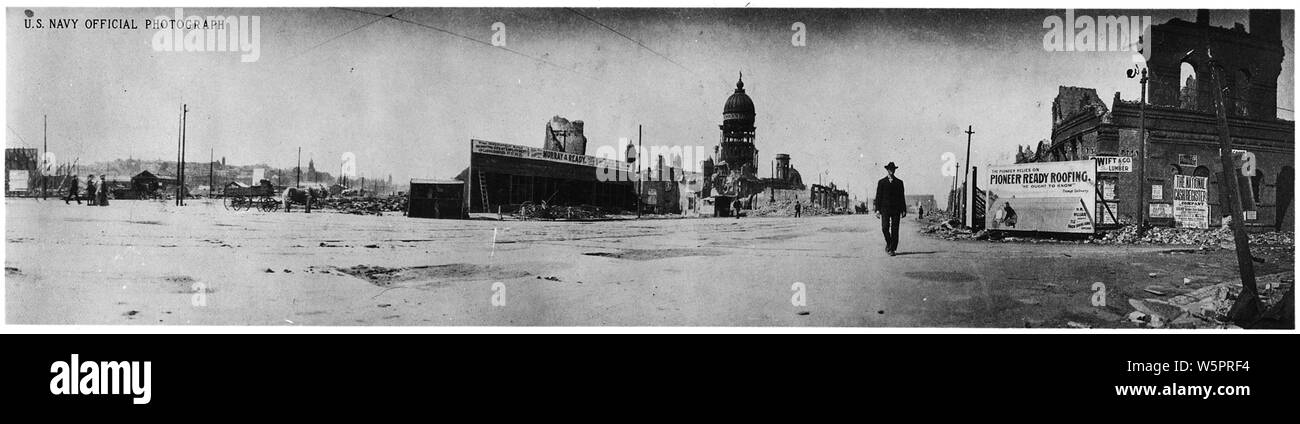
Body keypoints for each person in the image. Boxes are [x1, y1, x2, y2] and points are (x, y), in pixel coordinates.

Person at [874, 162, 906, 256]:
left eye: (893, 169)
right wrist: (877, 210)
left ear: (895, 170)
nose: (891, 171)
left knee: (895, 230)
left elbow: (901, 197)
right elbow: (878, 196)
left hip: (896, 209)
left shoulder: (899, 182)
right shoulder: (882, 182)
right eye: (889, 169)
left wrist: (903, 209)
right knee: (884, 228)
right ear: (887, 170)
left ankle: (892, 249)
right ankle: (889, 243)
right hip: (885, 209)